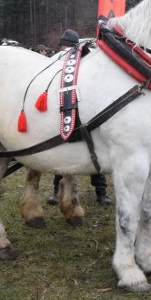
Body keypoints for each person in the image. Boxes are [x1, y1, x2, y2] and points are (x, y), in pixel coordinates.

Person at [47, 29, 112, 206]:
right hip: (65, 111)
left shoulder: (86, 62)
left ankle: (101, 192)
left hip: (87, 112)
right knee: (62, 154)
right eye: (62, 46)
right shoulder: (55, 63)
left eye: (67, 46)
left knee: (94, 154)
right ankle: (56, 191)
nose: (64, 49)